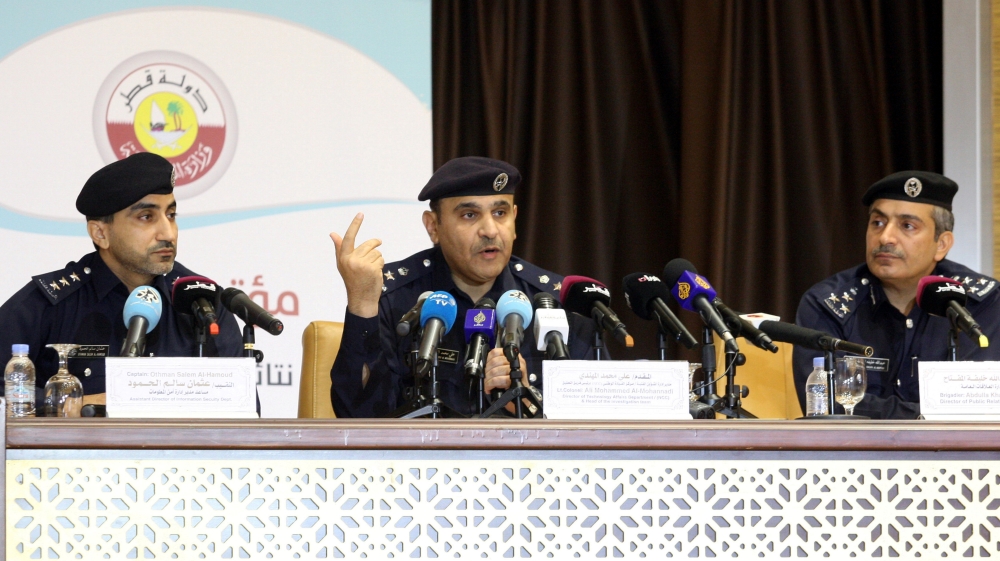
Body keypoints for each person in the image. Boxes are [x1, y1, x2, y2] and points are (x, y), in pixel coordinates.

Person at [329, 156, 598, 417]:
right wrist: (362, 303)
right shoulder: (395, 298)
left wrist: (526, 400)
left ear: (515, 220)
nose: (490, 230)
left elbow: (599, 427)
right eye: (470, 215)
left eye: (500, 213)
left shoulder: (559, 305)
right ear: (433, 226)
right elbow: (358, 416)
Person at [0, 152, 243, 408]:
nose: (168, 233)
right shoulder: (49, 304)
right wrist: (75, 406)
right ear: (100, 233)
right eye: (147, 217)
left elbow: (244, 410)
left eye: (170, 215)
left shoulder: (202, 304)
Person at [794, 171, 1000, 419]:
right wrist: (921, 417)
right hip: (854, 454)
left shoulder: (981, 303)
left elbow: (978, 406)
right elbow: (826, 405)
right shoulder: (828, 303)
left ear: (941, 244)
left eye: (907, 226)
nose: (885, 237)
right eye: (877, 223)